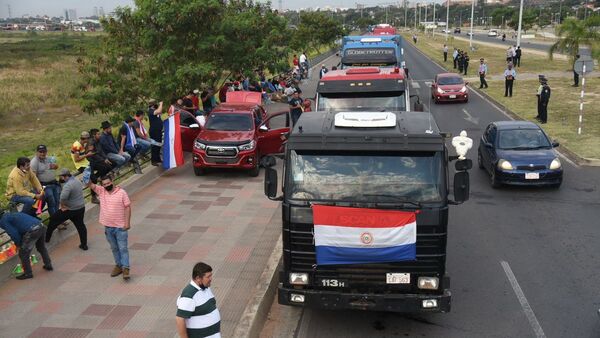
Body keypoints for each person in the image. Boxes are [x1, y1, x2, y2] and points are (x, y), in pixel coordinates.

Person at [88, 175, 132, 280]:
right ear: (102, 185)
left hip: (120, 227)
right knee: (114, 248)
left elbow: (127, 208)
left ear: (112, 181)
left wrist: (127, 223)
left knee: (123, 248)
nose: (107, 185)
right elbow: (89, 184)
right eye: (104, 184)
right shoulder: (101, 191)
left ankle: (126, 268)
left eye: (108, 183)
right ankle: (118, 266)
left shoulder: (122, 193)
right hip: (108, 227)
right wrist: (86, 173)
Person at [0, 209, 53, 280]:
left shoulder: (3, 220)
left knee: (23, 253)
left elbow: (13, 233)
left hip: (32, 231)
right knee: (41, 247)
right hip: (40, 226)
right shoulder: (12, 214)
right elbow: (20, 227)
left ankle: (28, 273)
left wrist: (18, 245)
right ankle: (48, 264)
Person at [45, 169, 88, 250]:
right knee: (81, 226)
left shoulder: (68, 185)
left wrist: (63, 206)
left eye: (61, 177)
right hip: (81, 207)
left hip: (70, 209)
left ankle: (47, 239)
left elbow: (62, 197)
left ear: (64, 176)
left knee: (53, 219)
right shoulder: (77, 180)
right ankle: (84, 244)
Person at [176, 262, 221, 338]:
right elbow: (179, 320)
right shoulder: (189, 295)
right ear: (198, 278)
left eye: (211, 275)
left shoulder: (206, 288)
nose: (211, 279)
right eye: (208, 277)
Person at [30, 145, 60, 216]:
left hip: (54, 183)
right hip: (45, 186)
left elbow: (56, 167)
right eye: (40, 152)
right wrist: (39, 189)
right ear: (37, 152)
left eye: (44, 151)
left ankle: (59, 219)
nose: (42, 153)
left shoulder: (48, 158)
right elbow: (33, 178)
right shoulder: (34, 162)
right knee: (52, 203)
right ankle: (56, 222)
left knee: (57, 202)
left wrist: (55, 166)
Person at [148, 100, 164, 166]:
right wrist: (161, 104)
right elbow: (159, 111)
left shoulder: (155, 110)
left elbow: (160, 112)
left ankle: (158, 159)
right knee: (155, 145)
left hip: (158, 130)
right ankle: (154, 160)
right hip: (154, 131)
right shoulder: (150, 111)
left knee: (158, 145)